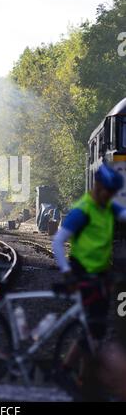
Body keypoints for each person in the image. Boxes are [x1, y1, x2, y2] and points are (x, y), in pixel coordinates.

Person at [53, 163, 126, 392]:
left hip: (100, 274)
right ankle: (72, 373)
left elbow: (124, 214)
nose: (109, 196)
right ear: (97, 186)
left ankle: (78, 376)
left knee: (95, 328)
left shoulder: (108, 208)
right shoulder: (82, 211)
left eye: (112, 193)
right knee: (92, 327)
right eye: (107, 191)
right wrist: (66, 272)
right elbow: (57, 242)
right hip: (82, 272)